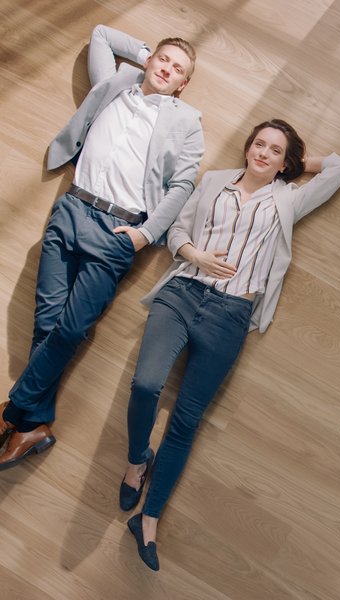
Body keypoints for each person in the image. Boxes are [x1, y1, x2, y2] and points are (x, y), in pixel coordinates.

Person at [118, 119, 340, 570]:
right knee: (146, 384)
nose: (263, 153)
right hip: (183, 293)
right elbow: (177, 233)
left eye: (275, 151)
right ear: (247, 148)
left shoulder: (289, 198)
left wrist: (298, 165)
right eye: (259, 144)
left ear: (286, 163)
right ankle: (135, 461)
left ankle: (148, 519)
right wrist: (197, 255)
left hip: (230, 317)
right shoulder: (214, 182)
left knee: (187, 420)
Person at [0, 24, 204, 470]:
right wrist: (150, 51)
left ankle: (11, 412)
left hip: (118, 230)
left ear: (184, 84)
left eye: (178, 69)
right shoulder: (113, 83)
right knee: (47, 321)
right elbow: (101, 35)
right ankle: (34, 425)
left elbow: (184, 182)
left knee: (71, 329)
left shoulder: (187, 122)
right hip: (71, 208)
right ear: (149, 61)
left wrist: (144, 235)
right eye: (163, 60)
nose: (168, 69)